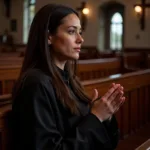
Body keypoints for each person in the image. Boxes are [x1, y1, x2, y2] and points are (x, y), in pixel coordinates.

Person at [12, 3, 125, 150]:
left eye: (80, 32)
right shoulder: (35, 84)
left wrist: (105, 116)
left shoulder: (70, 80)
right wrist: (95, 117)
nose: (80, 39)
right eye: (72, 31)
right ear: (48, 37)